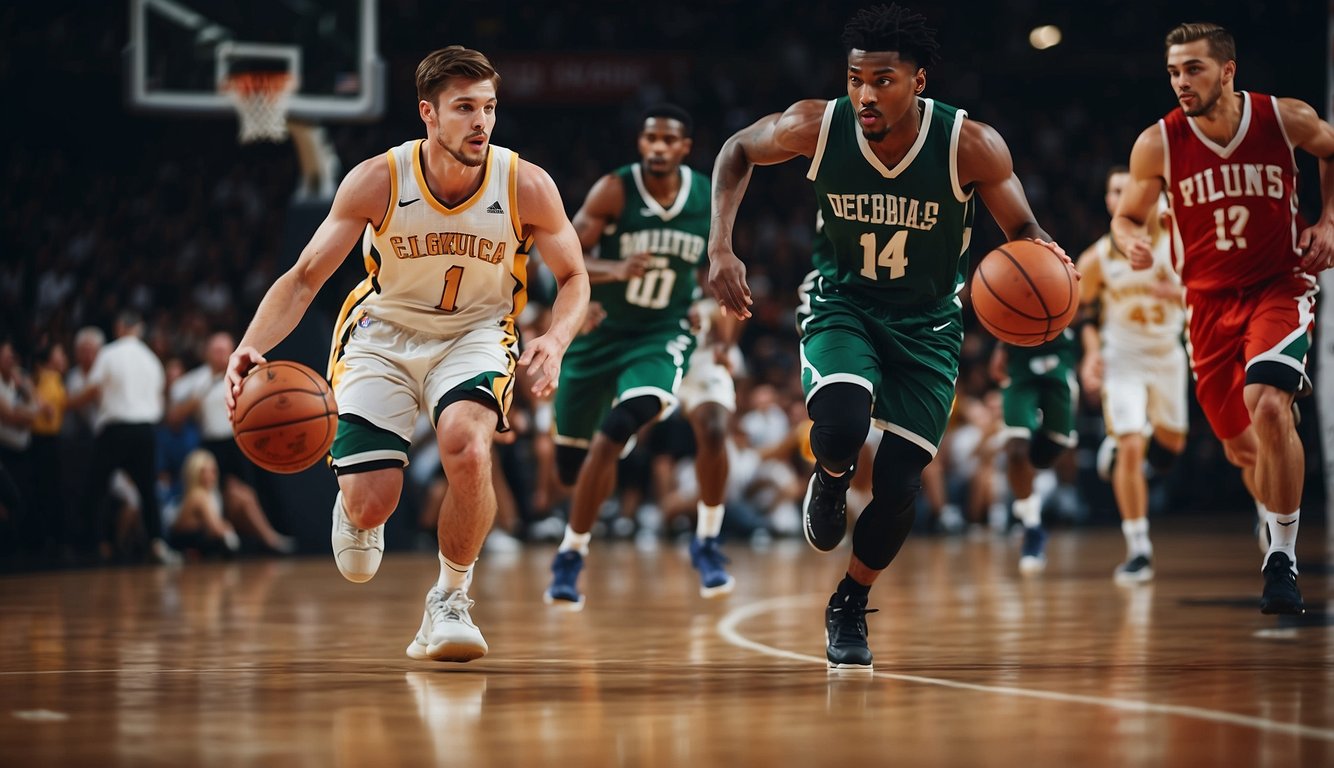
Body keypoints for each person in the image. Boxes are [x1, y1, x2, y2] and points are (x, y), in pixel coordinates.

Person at [707, 3, 1072, 669]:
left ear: (919, 81)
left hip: (930, 324)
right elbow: (735, 152)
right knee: (843, 424)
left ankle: (849, 600)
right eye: (855, 78)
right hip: (844, 302)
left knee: (902, 483)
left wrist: (1044, 251)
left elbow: (1022, 229)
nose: (865, 94)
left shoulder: (970, 144)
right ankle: (832, 471)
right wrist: (721, 248)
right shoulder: (815, 126)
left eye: (882, 79)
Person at [224, 46, 590, 662]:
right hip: (382, 335)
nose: (482, 123)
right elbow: (306, 276)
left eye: (490, 109)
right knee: (375, 502)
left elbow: (575, 278)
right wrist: (250, 345)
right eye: (465, 108)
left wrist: (554, 339)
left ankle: (449, 600)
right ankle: (357, 508)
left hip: (475, 333)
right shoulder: (378, 179)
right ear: (428, 113)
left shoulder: (525, 184)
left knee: (468, 447)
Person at [1111, 22, 1334, 615]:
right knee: (1243, 452)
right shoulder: (1157, 142)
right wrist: (1128, 237)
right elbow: (1128, 216)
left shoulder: (1284, 118)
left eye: (1194, 69)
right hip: (1206, 304)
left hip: (1278, 285)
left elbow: (1330, 150)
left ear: (1228, 70)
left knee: (1268, 400)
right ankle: (1275, 513)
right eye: (1174, 71)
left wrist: (1329, 220)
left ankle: (1281, 556)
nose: (1181, 82)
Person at [544, 105, 729, 609]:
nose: (659, 148)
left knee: (624, 423)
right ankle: (587, 505)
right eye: (651, 139)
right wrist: (612, 272)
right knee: (568, 467)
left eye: (670, 140)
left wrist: (713, 319)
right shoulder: (614, 190)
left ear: (685, 148)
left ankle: (570, 555)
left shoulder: (706, 196)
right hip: (601, 336)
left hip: (661, 332)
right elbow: (564, 256)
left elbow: (716, 270)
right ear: (640, 144)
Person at [1076, 167, 1187, 584]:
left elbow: (1213, 286)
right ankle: (1139, 547)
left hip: (1168, 357)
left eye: (1130, 188)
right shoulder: (1097, 258)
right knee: (1132, 446)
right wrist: (1090, 355)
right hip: (1121, 359)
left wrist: (1176, 292)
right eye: (1114, 190)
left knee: (1169, 447)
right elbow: (1084, 313)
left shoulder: (1178, 240)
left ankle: (1124, 444)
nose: (1123, 196)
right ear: (1108, 201)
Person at [170, 332, 295, 554]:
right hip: (209, 446)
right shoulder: (194, 381)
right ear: (207, 353)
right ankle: (222, 539)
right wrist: (197, 399)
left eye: (224, 350)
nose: (220, 356)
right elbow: (173, 419)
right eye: (216, 351)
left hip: (238, 443)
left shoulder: (244, 376)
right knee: (212, 497)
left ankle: (258, 540)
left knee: (247, 493)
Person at [67, 311, 173, 564]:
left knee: (96, 486)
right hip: (146, 431)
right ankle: (157, 542)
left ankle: (91, 544)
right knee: (147, 489)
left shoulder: (109, 353)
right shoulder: (152, 360)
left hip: (116, 429)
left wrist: (65, 403)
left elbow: (92, 389)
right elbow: (160, 399)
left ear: (119, 327)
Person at [988, 330, 1079, 575]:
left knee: (1049, 452)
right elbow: (1005, 306)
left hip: (1058, 357)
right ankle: (1032, 526)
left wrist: (1091, 353)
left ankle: (1032, 497)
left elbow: (1086, 312)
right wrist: (1000, 344)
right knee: (1016, 449)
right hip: (1019, 359)